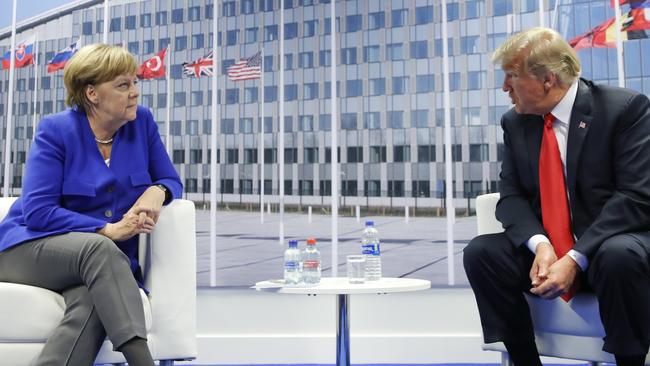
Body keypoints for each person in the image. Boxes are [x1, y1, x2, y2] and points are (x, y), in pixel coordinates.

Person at [463, 27, 650, 366]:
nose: (505, 87)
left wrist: (575, 257)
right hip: (553, 251)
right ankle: (524, 361)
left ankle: (630, 361)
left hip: (609, 245)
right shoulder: (516, 122)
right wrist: (543, 247)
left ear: (547, 80)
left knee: (618, 255)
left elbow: (635, 197)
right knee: (482, 253)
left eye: (511, 77)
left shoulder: (624, 109)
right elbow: (511, 197)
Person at [0, 44, 182, 366]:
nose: (135, 93)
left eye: (136, 82)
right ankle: (142, 361)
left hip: (98, 265)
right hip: (26, 249)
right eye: (123, 85)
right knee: (99, 250)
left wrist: (157, 191)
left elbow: (171, 180)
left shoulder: (142, 123)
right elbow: (37, 211)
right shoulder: (56, 130)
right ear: (92, 93)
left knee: (94, 299)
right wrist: (106, 229)